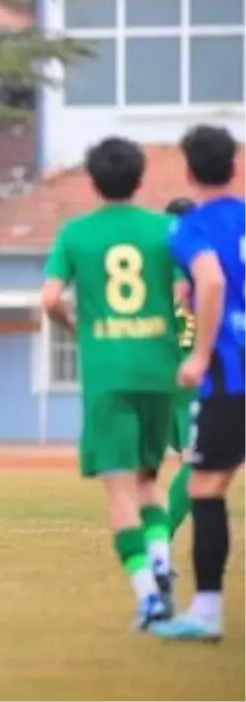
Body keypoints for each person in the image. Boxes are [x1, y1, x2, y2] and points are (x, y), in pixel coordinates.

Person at [40, 136, 179, 630]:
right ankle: (162, 557)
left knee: (120, 490)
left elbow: (51, 298)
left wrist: (81, 332)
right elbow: (189, 288)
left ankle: (148, 595)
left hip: (108, 374)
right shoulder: (167, 229)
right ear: (140, 179)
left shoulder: (75, 234)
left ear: (93, 181)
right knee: (151, 478)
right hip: (159, 370)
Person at [152, 125, 245, 644]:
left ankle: (205, 610)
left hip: (231, 377)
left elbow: (210, 280)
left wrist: (202, 353)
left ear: (189, 170)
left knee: (205, 485)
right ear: (234, 165)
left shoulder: (191, 229)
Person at [163, 196, 197, 539]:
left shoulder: (158, 262)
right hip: (196, 375)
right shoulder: (197, 262)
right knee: (194, 461)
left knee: (187, 459)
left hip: (164, 375)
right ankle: (160, 536)